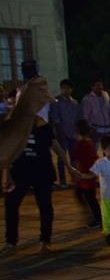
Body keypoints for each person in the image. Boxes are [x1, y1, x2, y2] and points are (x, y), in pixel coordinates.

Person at [2, 107, 73, 255]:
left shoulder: (44, 127)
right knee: (11, 203)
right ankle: (11, 241)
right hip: (21, 172)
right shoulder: (16, 127)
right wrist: (6, 175)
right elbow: (9, 151)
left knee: (45, 205)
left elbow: (57, 147)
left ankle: (45, 240)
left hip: (42, 172)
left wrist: (69, 167)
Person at [51, 79, 81, 188]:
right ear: (61, 89)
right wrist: (60, 132)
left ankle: (75, 179)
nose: (66, 90)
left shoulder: (75, 103)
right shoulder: (56, 102)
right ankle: (63, 181)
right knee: (61, 158)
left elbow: (78, 119)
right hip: (62, 134)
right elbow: (56, 119)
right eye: (64, 88)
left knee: (74, 158)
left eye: (68, 88)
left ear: (71, 89)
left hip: (73, 134)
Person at [72, 120, 102, 228]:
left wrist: (76, 174)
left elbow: (77, 160)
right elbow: (95, 158)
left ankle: (97, 218)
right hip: (91, 173)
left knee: (88, 197)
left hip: (84, 175)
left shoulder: (80, 144)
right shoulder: (90, 143)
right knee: (88, 196)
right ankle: (95, 217)